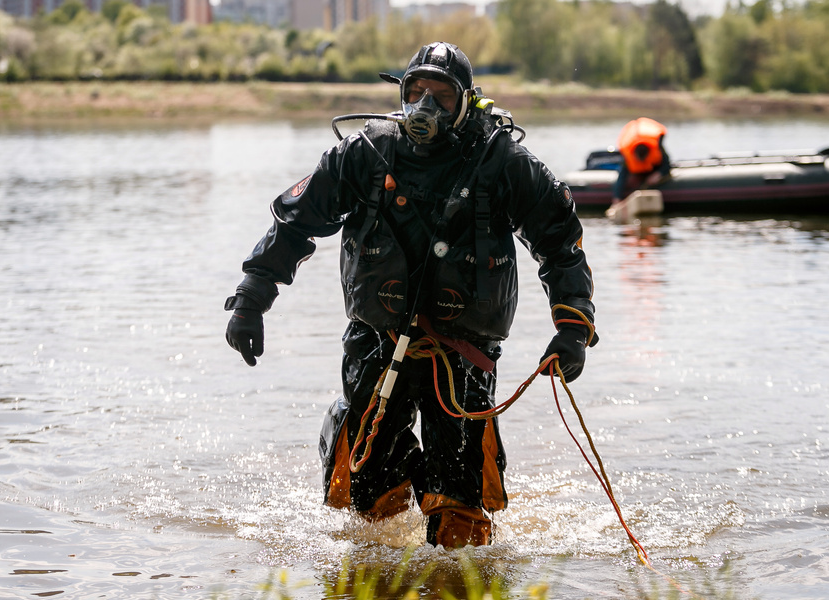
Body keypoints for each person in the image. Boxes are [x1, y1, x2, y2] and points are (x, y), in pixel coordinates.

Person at [224, 42, 597, 548]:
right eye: (415, 91)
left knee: (460, 525)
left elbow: (561, 246)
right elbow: (295, 224)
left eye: (441, 96)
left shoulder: (503, 161)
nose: (425, 106)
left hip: (464, 356)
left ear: (467, 103)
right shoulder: (365, 153)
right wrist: (251, 298)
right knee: (372, 508)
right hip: (376, 342)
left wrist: (572, 328)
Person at [612, 117, 671, 204]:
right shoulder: (628, 153)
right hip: (635, 134)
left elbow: (667, 165)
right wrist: (617, 198)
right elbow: (622, 176)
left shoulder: (657, 148)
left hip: (651, 130)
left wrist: (658, 174)